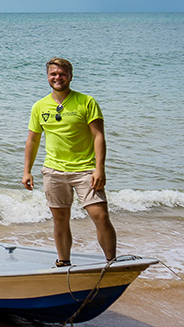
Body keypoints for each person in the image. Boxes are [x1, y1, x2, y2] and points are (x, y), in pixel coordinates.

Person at [22, 57, 117, 266]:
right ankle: (63, 263)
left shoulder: (87, 102)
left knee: (100, 216)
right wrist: (26, 171)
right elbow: (33, 139)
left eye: (62, 74)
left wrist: (99, 168)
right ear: (47, 77)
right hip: (54, 171)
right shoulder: (39, 106)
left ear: (70, 76)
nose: (58, 78)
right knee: (60, 220)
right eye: (53, 74)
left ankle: (111, 263)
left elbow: (98, 136)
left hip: (85, 170)